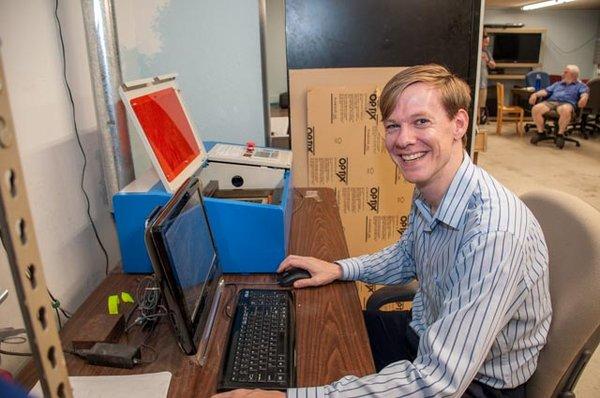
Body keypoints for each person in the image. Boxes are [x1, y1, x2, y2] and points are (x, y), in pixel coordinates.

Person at [212, 64, 552, 398]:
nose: (404, 140)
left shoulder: (493, 233)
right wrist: (339, 268)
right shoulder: (432, 186)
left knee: (306, 377)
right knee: (308, 335)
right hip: (427, 333)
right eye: (393, 125)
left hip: (475, 381)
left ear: (458, 124)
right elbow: (407, 254)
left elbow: (438, 381)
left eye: (421, 121)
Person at [529, 64, 589, 147]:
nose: (563, 73)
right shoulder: (558, 84)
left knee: (565, 109)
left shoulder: (581, 86)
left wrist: (584, 98)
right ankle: (541, 133)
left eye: (566, 72)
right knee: (536, 108)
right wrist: (535, 94)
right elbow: (546, 91)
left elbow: (584, 94)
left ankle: (560, 135)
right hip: (552, 102)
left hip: (567, 103)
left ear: (573, 75)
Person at [478, 33, 495, 124]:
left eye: (488, 42)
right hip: (475, 83)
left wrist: (487, 60)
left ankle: (479, 122)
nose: (486, 44)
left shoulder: (486, 52)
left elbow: (493, 65)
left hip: (483, 83)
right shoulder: (475, 51)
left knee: (481, 105)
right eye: (485, 42)